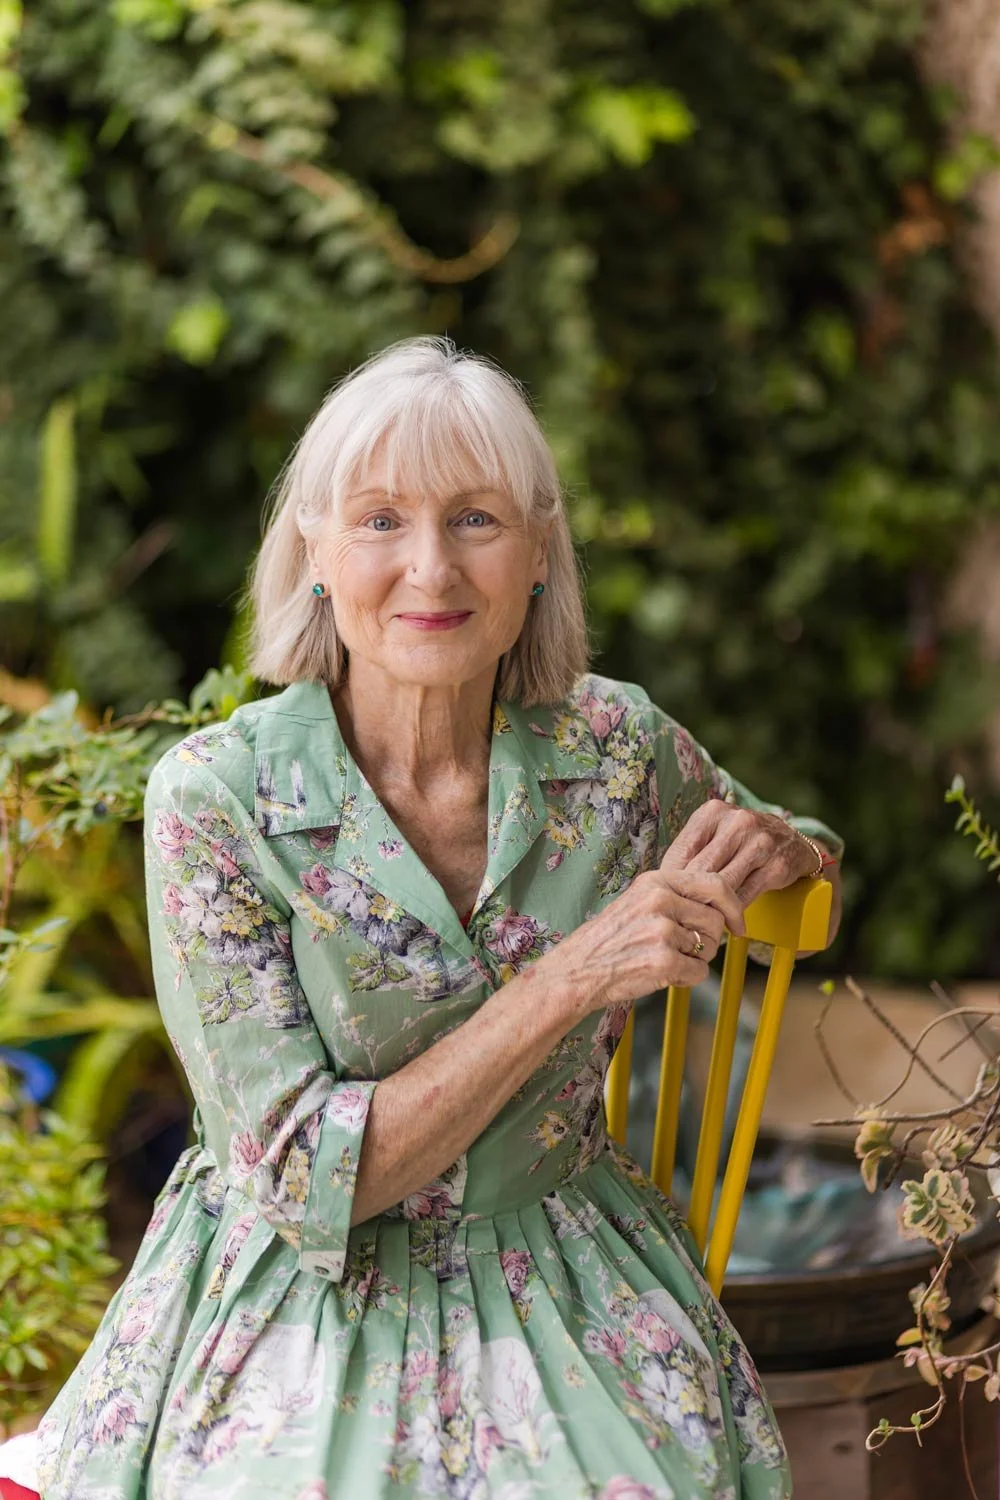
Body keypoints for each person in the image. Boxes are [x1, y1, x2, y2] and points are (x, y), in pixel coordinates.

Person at [17, 336, 843, 1499]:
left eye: (476, 520)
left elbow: (802, 872)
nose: (430, 570)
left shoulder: (614, 750)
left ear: (539, 554)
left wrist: (783, 849)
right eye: (378, 521)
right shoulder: (216, 800)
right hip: (299, 1290)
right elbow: (310, 1179)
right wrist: (571, 976)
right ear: (312, 549)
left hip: (561, 1263)